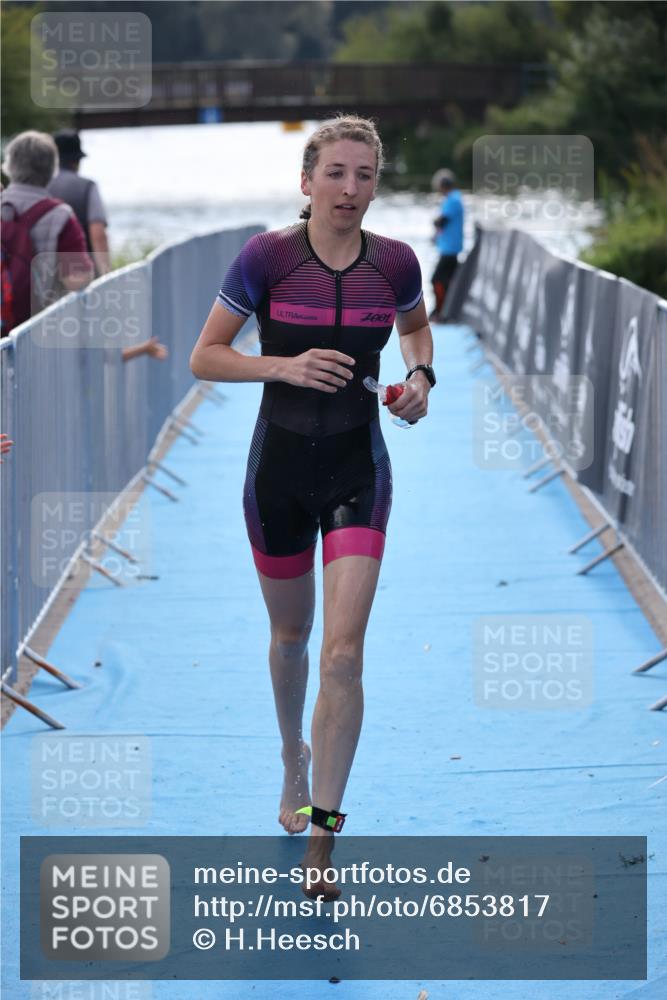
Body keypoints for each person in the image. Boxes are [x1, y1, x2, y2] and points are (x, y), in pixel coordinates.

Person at [190, 115, 435, 900]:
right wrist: (285, 367)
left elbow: (416, 332)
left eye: (364, 175)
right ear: (306, 181)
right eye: (335, 173)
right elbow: (206, 355)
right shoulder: (266, 257)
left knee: (343, 655)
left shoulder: (394, 263)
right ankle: (291, 753)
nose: (350, 189)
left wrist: (420, 382)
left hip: (359, 470)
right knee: (292, 637)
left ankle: (324, 842)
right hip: (278, 475)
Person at [1, 131, 93, 333]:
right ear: (52, 168)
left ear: (10, 165)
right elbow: (78, 280)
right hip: (38, 333)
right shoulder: (60, 215)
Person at [48, 129, 111, 276]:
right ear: (77, 161)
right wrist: (105, 274)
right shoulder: (87, 187)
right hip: (80, 277)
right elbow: (98, 234)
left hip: (44, 275)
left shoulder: (40, 186)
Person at [429, 167, 464, 322]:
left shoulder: (452, 200)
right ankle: (443, 311)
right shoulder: (454, 198)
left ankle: (440, 311)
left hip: (449, 249)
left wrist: (435, 222)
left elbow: (442, 221)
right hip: (450, 247)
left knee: (437, 280)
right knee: (448, 282)